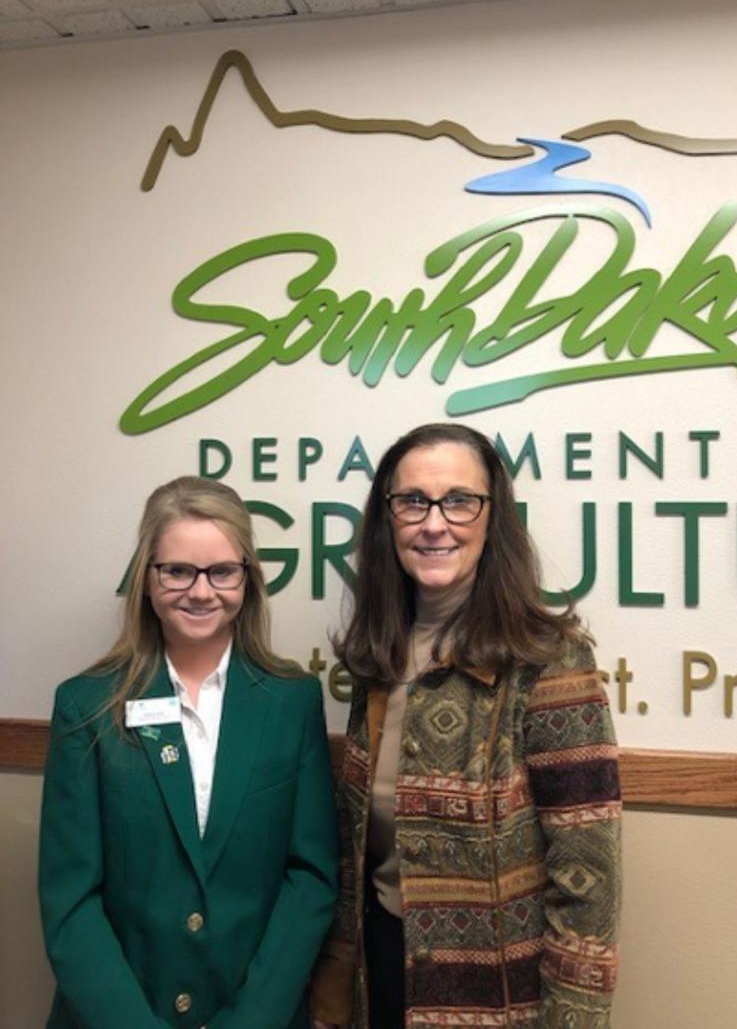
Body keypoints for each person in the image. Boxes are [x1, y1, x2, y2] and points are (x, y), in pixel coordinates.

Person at [311, 423, 621, 1029]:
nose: (434, 523)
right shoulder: (379, 654)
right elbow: (357, 852)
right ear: (387, 518)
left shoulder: (548, 660)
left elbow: (589, 880)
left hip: (499, 1000)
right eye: (413, 502)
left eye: (459, 500)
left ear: (492, 517)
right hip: (382, 973)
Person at [39, 475, 338, 1029]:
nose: (201, 592)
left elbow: (310, 878)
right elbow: (70, 901)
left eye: (222, 571)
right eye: (177, 570)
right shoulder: (86, 705)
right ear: (147, 579)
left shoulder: (292, 702)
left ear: (247, 579)